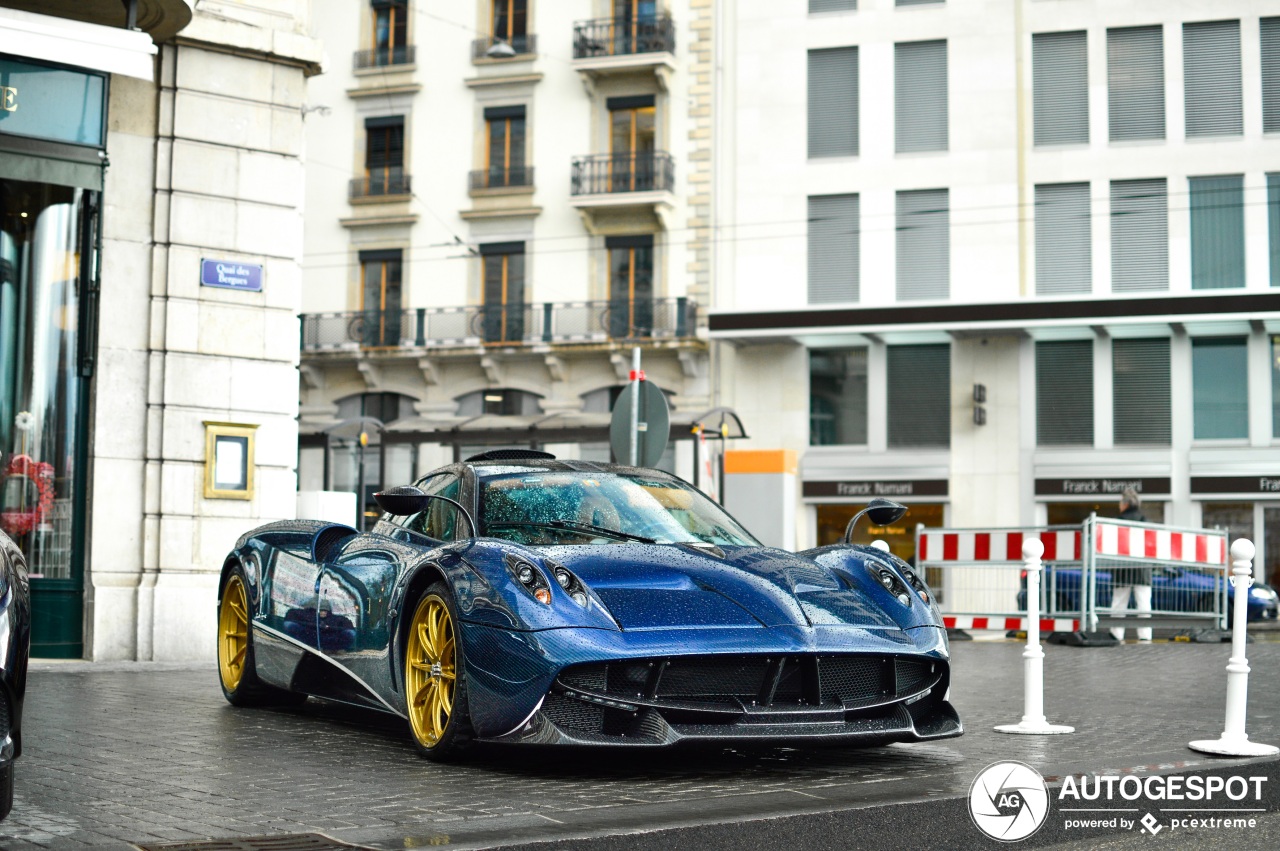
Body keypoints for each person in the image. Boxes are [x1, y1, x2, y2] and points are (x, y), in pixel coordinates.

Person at [1110, 487, 1152, 642]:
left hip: (1122, 568)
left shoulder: (1118, 522)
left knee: (1119, 604)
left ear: (1125, 503)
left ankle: (1116, 634)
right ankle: (1145, 635)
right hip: (1142, 569)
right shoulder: (1145, 521)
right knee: (1144, 605)